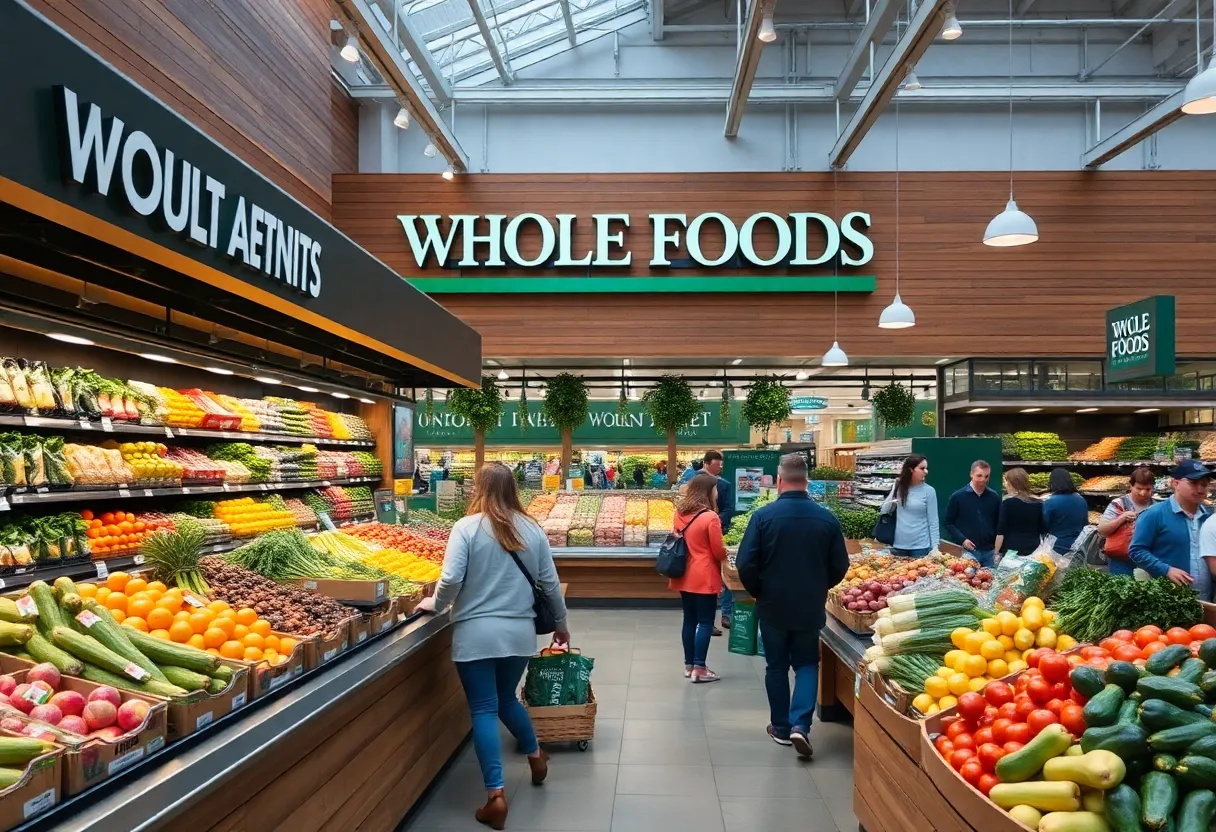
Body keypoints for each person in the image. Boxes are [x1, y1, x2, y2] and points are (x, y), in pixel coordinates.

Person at [414, 463, 569, 829]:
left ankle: (495, 796)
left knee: (483, 709)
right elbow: (549, 583)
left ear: (477, 489)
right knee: (506, 699)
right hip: (519, 635)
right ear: (513, 488)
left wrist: (437, 603)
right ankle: (535, 756)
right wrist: (561, 624)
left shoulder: (466, 528)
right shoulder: (532, 529)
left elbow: (450, 578)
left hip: (475, 635)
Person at [735, 453, 849, 758]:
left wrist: (759, 590)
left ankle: (781, 728)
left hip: (772, 605)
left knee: (776, 666)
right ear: (807, 481)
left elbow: (744, 562)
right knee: (807, 664)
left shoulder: (763, 517)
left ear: (780, 480)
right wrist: (820, 586)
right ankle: (801, 725)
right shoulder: (826, 518)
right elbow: (841, 565)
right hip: (809, 605)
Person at [668, 472, 729, 683]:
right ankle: (700, 668)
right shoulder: (710, 517)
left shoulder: (679, 513)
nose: (717, 494)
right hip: (704, 574)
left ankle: (688, 665)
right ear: (708, 492)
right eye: (715, 490)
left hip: (684, 573)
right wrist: (726, 553)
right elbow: (718, 551)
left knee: (689, 619)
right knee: (705, 621)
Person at [1130, 459, 1215, 599]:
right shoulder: (1154, 514)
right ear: (1175, 484)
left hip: (1206, 599)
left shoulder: (1209, 518)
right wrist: (1166, 570)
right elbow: (1136, 550)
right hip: (1169, 599)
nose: (1200, 489)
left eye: (1204, 485)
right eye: (1193, 483)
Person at [702, 450, 738, 632]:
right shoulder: (694, 482)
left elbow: (729, 508)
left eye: (721, 465)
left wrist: (715, 520)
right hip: (699, 536)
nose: (720, 468)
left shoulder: (724, 485)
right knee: (708, 577)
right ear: (706, 464)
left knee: (724, 574)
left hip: (718, 532)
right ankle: (708, 621)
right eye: (717, 465)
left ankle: (726, 613)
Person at [944, 460, 1001, 568]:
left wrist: (997, 549)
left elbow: (999, 524)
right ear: (971, 474)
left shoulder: (994, 497)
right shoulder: (957, 497)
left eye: (986, 476)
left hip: (989, 552)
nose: (983, 480)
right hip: (966, 552)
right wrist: (963, 540)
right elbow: (948, 523)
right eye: (979, 476)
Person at [1100, 466, 1157, 573]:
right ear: (1131, 486)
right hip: (1121, 561)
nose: (1143, 493)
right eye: (1139, 488)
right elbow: (1102, 530)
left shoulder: (1157, 507)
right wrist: (1122, 518)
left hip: (1148, 560)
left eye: (1148, 489)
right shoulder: (1119, 504)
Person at [880, 455, 940, 558]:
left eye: (926, 468)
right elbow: (884, 510)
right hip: (898, 545)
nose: (926, 471)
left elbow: (933, 521)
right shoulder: (899, 488)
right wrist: (895, 487)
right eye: (922, 468)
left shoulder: (929, 491)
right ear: (911, 469)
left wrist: (935, 547)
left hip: (921, 547)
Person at [995, 467, 1045, 557]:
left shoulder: (1008, 503)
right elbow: (1042, 528)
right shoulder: (1039, 503)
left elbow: (1001, 531)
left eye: (1006, 481)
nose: (1005, 484)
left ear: (1012, 483)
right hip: (1033, 549)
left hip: (1012, 551)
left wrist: (996, 552)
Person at [1041, 467, 1089, 554]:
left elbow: (1042, 526)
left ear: (1052, 483)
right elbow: (1085, 523)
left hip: (1057, 547)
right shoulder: (1081, 499)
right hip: (1078, 545)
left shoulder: (1051, 502)